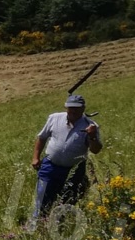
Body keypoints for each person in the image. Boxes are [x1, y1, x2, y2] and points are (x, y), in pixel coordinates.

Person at [30, 93, 102, 222]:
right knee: (42, 196)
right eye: (70, 107)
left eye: (77, 108)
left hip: (74, 170)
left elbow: (95, 150)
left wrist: (92, 136)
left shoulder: (90, 126)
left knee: (67, 199)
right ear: (66, 107)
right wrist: (36, 157)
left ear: (83, 109)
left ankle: (58, 224)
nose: (73, 111)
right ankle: (37, 224)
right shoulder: (54, 118)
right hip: (50, 166)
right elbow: (42, 138)